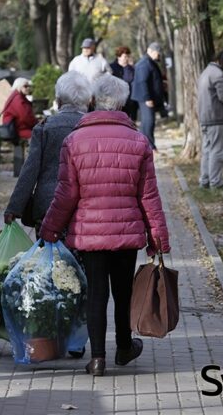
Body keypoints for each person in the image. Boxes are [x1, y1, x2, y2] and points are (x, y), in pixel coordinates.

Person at [39, 75, 170, 377]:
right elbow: (148, 195)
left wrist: (50, 228)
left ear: (94, 101)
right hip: (126, 233)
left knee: (96, 293)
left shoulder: (74, 141)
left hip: (89, 234)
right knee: (123, 292)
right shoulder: (138, 141)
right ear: (123, 103)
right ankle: (124, 347)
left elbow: (66, 193)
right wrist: (158, 238)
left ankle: (97, 358)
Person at [3, 71, 92, 230]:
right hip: (85, 205)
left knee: (49, 255)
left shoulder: (45, 128)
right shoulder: (93, 128)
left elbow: (30, 170)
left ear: (58, 100)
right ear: (88, 100)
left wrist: (14, 207)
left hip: (47, 205)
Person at [197, 48, 223, 189]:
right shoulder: (218, 75)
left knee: (207, 151)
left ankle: (205, 180)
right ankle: (216, 182)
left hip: (206, 118)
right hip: (217, 118)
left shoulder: (206, 72)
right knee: (218, 151)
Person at [131, 42, 166, 150]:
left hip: (148, 97)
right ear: (150, 51)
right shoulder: (145, 63)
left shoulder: (150, 62)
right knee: (148, 121)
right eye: (157, 53)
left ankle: (144, 144)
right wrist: (147, 98)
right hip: (145, 98)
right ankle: (149, 146)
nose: (159, 55)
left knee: (147, 121)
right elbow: (142, 82)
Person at [2, 77, 38, 177]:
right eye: (25, 86)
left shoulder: (19, 97)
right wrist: (37, 124)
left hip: (21, 127)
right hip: (18, 129)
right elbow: (25, 117)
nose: (28, 88)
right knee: (38, 137)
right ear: (18, 87)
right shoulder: (18, 99)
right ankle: (32, 167)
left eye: (28, 86)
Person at [109, 45, 137, 120]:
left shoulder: (132, 69)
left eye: (128, 56)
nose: (127, 58)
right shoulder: (111, 68)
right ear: (119, 56)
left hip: (129, 100)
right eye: (125, 56)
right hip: (116, 100)